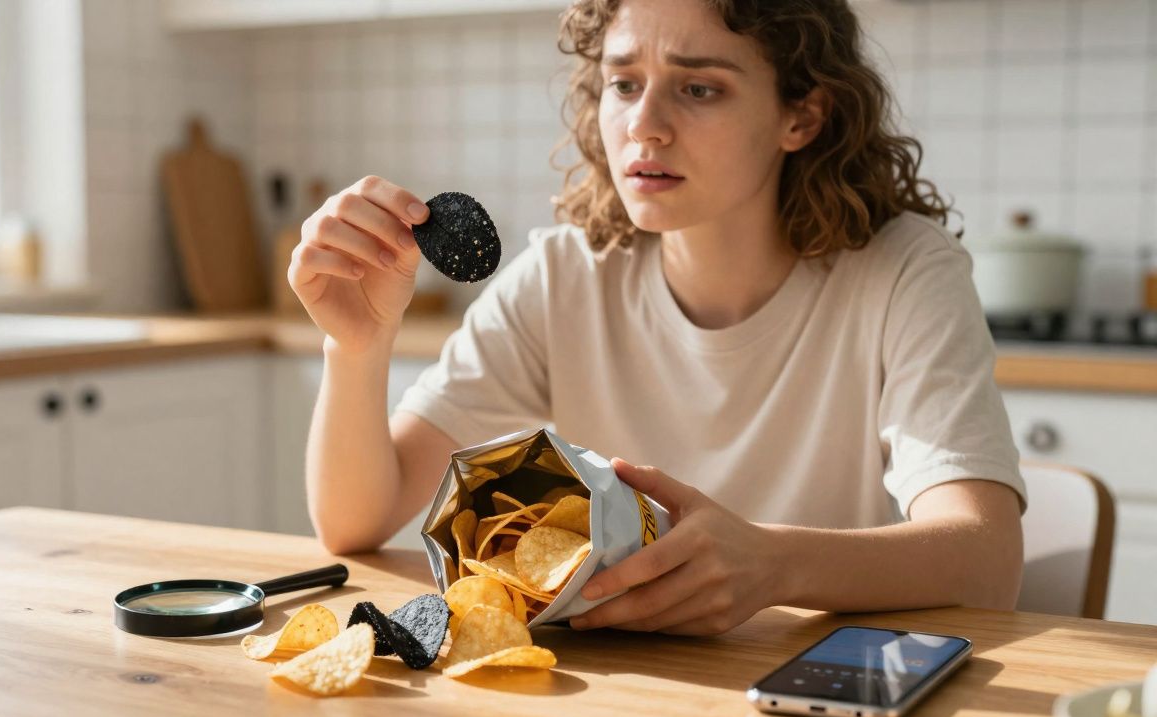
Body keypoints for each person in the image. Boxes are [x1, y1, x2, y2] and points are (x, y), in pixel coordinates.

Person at [287, 0, 1026, 637]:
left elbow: (987, 561)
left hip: (815, 683)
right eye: (623, 84)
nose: (645, 125)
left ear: (801, 115)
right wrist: (356, 346)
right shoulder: (563, 277)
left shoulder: (903, 273)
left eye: (699, 88)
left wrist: (775, 564)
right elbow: (357, 521)